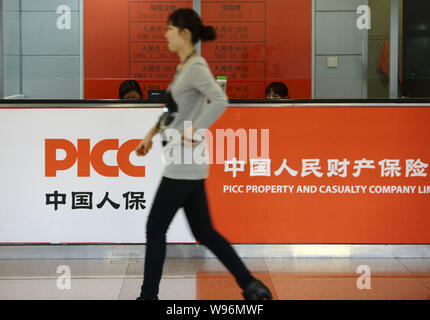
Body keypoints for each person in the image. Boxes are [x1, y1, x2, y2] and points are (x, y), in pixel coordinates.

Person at [134, 8, 273, 301]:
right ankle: (251, 285)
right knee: (205, 232)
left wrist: (195, 129)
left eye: (169, 29)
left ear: (185, 33)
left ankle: (148, 297)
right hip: (186, 163)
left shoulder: (196, 67)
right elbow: (171, 113)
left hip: (184, 164)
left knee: (155, 227)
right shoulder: (183, 68)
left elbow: (220, 99)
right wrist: (149, 137)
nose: (165, 34)